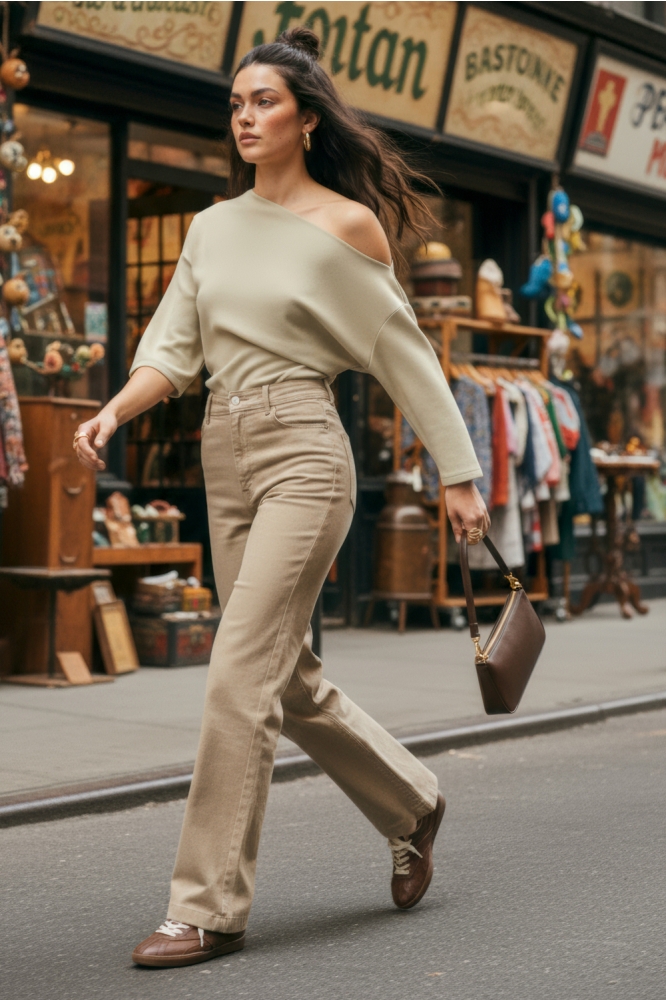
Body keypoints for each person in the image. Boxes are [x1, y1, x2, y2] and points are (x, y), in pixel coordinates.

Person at [74, 28, 489, 969]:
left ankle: (206, 905)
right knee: (278, 672)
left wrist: (459, 475)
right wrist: (114, 412)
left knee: (236, 674)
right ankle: (412, 804)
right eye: (235, 104)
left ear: (305, 119)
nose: (245, 118)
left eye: (262, 101)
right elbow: (173, 349)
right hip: (224, 450)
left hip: (306, 449)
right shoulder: (210, 228)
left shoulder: (346, 225)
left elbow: (403, 352)